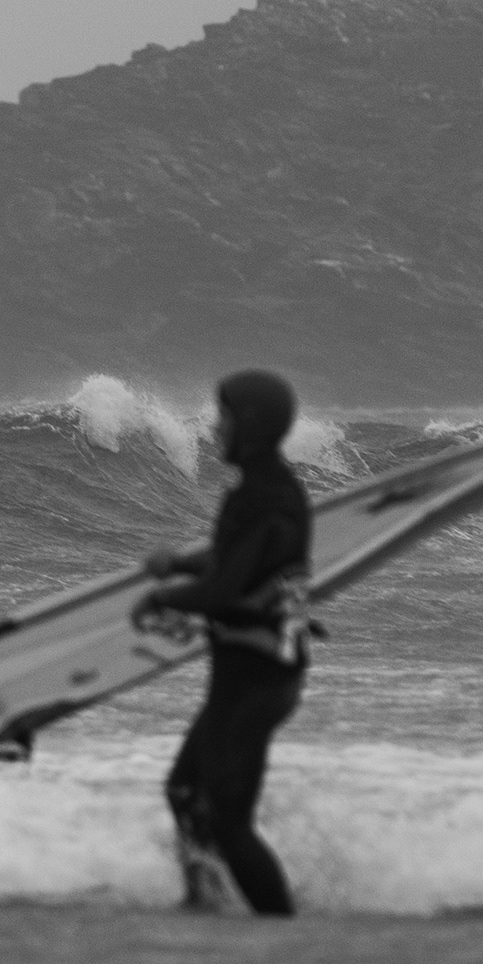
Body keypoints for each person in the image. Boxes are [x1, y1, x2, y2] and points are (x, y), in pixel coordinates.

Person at [137, 368, 315, 916]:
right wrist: (178, 563)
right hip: (253, 673)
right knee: (186, 793)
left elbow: (224, 588)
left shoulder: (260, 499)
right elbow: (236, 560)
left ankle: (280, 925)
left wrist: (162, 600)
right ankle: (204, 896)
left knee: (230, 822)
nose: (216, 428)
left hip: (256, 678)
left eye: (227, 419)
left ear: (253, 428)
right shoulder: (272, 491)